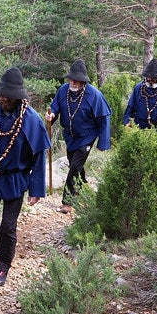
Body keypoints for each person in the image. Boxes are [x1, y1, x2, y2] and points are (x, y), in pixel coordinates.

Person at [0, 67, 51, 287]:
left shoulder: (30, 120)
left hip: (15, 180)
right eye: (2, 94)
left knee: (10, 226)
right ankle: (0, 239)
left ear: (18, 96)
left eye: (9, 96)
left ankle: (3, 265)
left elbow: (38, 156)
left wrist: (36, 190)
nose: (4, 98)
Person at [45, 59, 111, 213]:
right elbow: (55, 106)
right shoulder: (63, 90)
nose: (72, 82)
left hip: (87, 136)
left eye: (76, 80)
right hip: (70, 136)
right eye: (70, 79)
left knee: (74, 166)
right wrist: (52, 115)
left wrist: (103, 143)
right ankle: (82, 188)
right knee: (75, 164)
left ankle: (67, 202)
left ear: (83, 82)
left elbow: (103, 118)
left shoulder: (95, 95)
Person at [123, 58, 157, 132]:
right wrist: (127, 123)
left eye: (153, 78)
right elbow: (130, 109)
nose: (150, 79)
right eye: (148, 77)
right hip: (140, 128)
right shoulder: (139, 88)